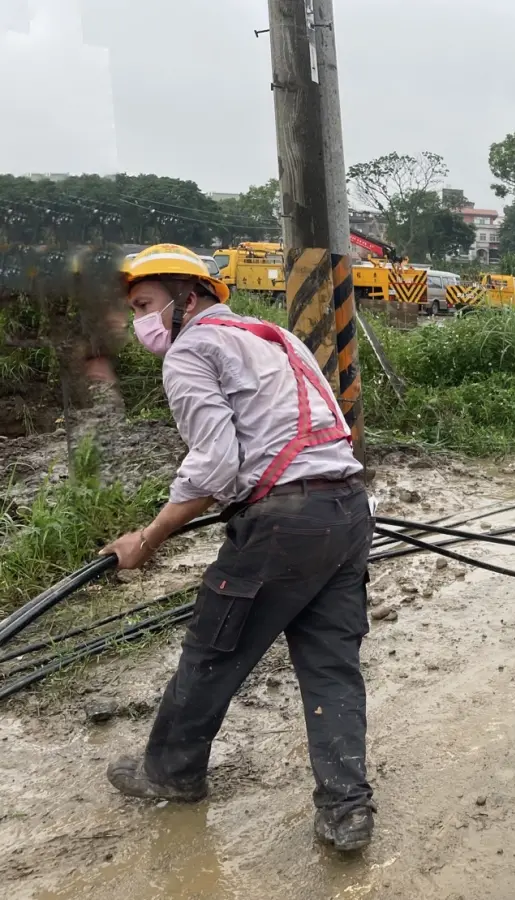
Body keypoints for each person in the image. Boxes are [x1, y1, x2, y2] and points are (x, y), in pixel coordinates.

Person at [100, 244, 375, 852]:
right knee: (331, 666)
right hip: (348, 508)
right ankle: (346, 810)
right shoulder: (275, 336)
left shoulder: (192, 350)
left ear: (185, 297)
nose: (141, 321)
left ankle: (169, 775)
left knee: (212, 649)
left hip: (283, 523)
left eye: (146, 304)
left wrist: (147, 539)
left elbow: (217, 465)